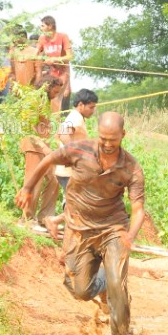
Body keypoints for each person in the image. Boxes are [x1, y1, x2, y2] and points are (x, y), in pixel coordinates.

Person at [14, 112, 145, 335]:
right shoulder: (79, 149)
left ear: (122, 136)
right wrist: (27, 188)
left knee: (119, 284)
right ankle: (104, 283)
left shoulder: (131, 167)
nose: (106, 144)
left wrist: (130, 236)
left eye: (112, 140)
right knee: (81, 290)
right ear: (98, 133)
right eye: (103, 138)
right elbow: (47, 161)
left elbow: (138, 209)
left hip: (112, 228)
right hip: (78, 230)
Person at [41, 89, 99, 240]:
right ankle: (58, 224)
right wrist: (75, 156)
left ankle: (61, 225)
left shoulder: (76, 117)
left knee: (74, 201)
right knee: (76, 202)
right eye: (91, 107)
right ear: (81, 105)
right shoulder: (76, 117)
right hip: (68, 170)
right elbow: (63, 134)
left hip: (67, 169)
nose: (93, 110)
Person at [35, 15, 72, 111]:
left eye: (43, 26)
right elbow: (36, 53)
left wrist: (55, 60)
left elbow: (70, 56)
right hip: (50, 75)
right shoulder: (42, 38)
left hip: (62, 74)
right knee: (46, 101)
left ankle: (55, 123)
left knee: (55, 100)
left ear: (50, 26)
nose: (40, 28)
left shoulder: (63, 36)